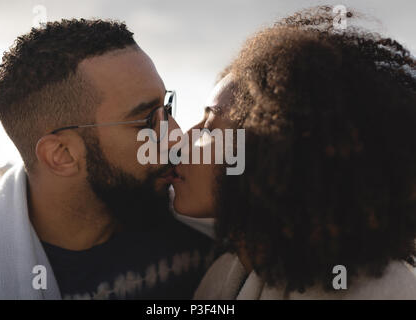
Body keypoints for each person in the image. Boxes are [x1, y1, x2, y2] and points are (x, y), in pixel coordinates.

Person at [172, 7, 416, 299]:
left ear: (271, 151)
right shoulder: (227, 276)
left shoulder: (380, 291)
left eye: (210, 128)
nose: (181, 141)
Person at [0, 19, 214, 299]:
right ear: (63, 155)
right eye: (146, 121)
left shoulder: (206, 220)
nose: (175, 136)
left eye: (166, 108)